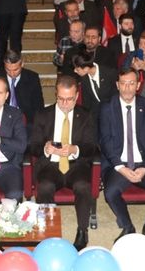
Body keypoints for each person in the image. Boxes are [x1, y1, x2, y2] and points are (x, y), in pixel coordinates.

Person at [98, 69, 145, 244]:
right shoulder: (107, 107)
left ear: (138, 85)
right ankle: (127, 226)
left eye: (131, 83)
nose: (127, 88)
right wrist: (121, 168)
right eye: (123, 83)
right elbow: (105, 141)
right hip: (119, 163)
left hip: (143, 161)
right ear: (117, 85)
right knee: (110, 192)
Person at [30, 75, 96, 250]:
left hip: (76, 165)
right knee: (45, 187)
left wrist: (75, 149)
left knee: (83, 186)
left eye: (69, 99)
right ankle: (49, 230)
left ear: (76, 96)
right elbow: (33, 147)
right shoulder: (43, 115)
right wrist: (45, 148)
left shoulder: (86, 115)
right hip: (50, 165)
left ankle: (82, 231)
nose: (65, 103)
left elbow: (92, 147)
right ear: (55, 94)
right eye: (61, 99)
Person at [2, 51, 44, 131]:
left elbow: (39, 107)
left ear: (22, 64)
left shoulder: (32, 78)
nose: (12, 74)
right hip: (2, 122)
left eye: (15, 70)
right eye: (8, 70)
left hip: (26, 123)